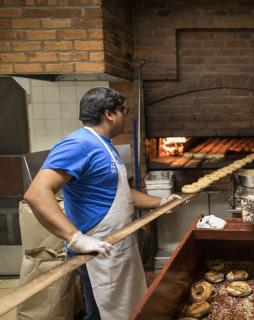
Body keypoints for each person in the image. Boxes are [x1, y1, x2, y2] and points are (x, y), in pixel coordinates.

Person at [24, 87, 180, 320]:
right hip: (96, 251)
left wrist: (160, 202)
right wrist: (76, 238)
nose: (124, 117)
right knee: (101, 314)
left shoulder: (103, 144)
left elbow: (121, 193)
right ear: (109, 114)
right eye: (122, 111)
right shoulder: (79, 144)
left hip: (116, 246)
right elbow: (37, 193)